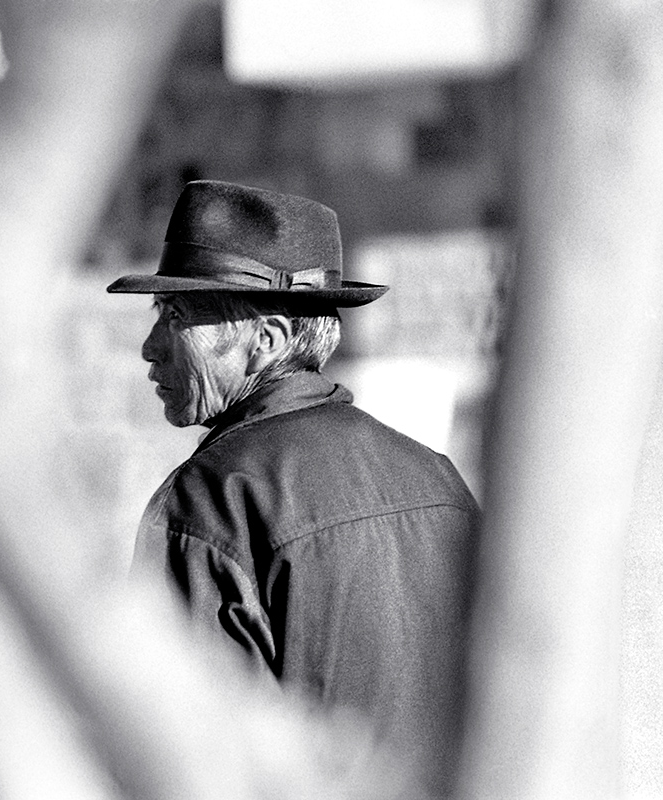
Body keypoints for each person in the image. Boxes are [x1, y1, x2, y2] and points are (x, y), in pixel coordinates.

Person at [107, 180, 479, 793]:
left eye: (175, 318)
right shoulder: (435, 475)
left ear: (268, 342)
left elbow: (187, 763)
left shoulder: (209, 503)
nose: (151, 348)